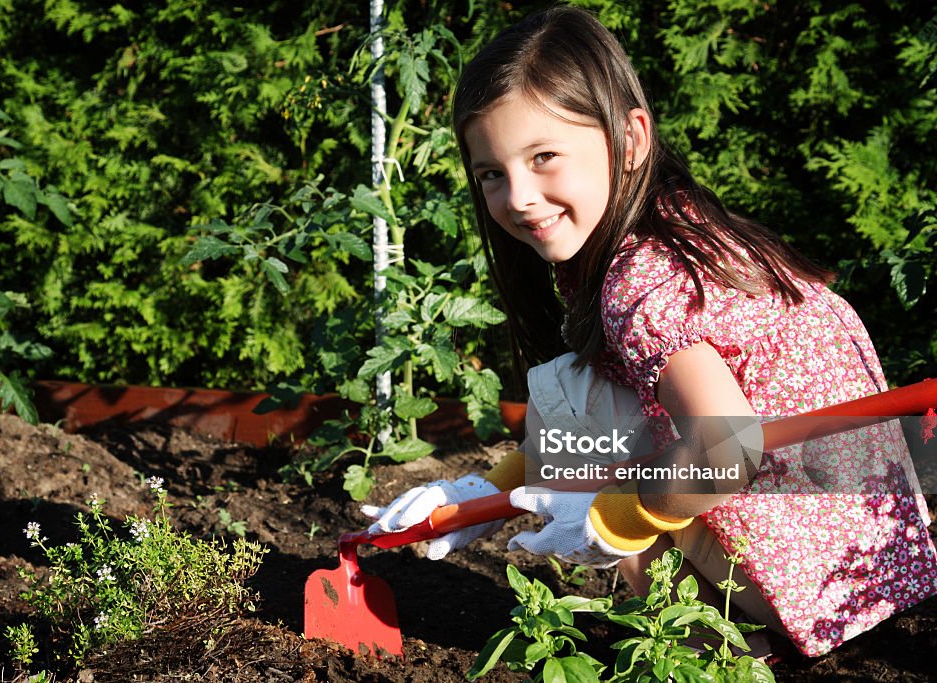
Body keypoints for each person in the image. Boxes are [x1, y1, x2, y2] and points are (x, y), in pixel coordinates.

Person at [361, 6, 937, 658]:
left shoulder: (642, 277)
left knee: (619, 489)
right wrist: (480, 492)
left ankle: (711, 651)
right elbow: (605, 421)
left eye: (544, 156)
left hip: (814, 569)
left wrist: (614, 519)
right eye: (492, 173)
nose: (517, 195)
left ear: (631, 139)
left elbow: (726, 451)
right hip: (871, 563)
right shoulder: (668, 231)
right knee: (606, 439)